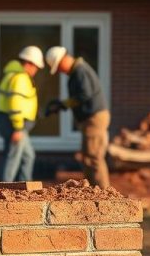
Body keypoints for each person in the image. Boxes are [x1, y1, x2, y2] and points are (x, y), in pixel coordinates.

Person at [44, 46, 111, 188]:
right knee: (88, 157)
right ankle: (94, 192)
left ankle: (104, 194)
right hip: (92, 118)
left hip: (94, 118)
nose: (60, 71)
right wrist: (63, 104)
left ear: (63, 59)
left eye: (59, 67)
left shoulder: (80, 71)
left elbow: (84, 94)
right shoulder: (77, 72)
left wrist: (64, 104)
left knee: (93, 158)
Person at [0, 46, 44, 182]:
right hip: (16, 124)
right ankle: (3, 190)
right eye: (36, 66)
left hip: (12, 122)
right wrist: (18, 128)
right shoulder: (20, 78)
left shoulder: (12, 75)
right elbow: (15, 103)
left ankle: (25, 189)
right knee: (13, 158)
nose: (36, 70)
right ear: (29, 63)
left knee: (28, 156)